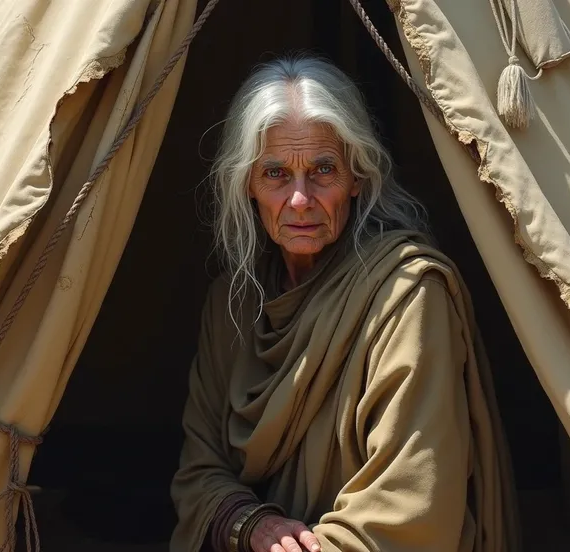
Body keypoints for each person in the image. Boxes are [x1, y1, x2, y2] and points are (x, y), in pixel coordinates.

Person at [170, 56, 519, 552]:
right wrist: (252, 526)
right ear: (247, 184)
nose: (299, 199)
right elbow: (198, 471)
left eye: (323, 170)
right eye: (275, 173)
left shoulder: (407, 294)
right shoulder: (233, 302)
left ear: (357, 177)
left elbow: (413, 507)